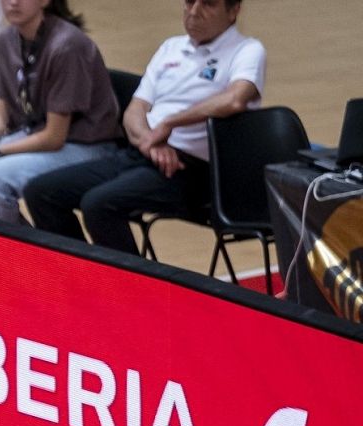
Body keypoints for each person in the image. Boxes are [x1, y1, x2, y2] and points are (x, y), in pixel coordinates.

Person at [23, 0, 265, 254]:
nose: (194, 11)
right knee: (41, 192)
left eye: (208, 4)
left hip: (195, 170)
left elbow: (235, 99)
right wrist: (151, 142)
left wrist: (169, 123)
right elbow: (134, 110)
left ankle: (133, 289)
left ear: (234, 10)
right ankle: (84, 280)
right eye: (190, 2)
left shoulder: (246, 50)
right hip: (143, 154)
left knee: (100, 204)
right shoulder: (171, 48)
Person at [0, 0, 117, 222]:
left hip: (85, 146)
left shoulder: (67, 45)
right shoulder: (6, 41)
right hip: (35, 134)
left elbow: (53, 137)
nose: (13, 2)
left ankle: (8, 255)